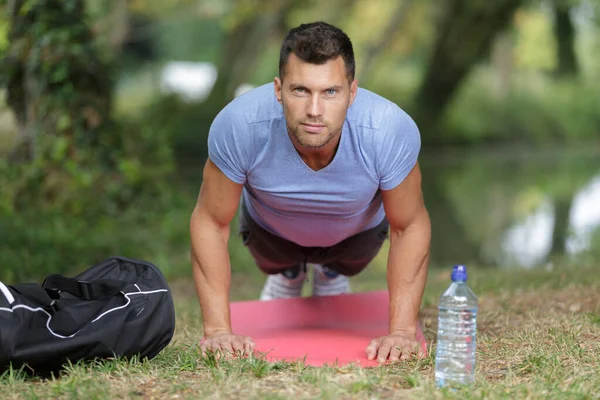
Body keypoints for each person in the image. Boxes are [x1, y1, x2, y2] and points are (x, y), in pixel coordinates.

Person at [190, 21, 431, 364]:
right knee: (276, 256)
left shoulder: (388, 129)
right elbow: (211, 222)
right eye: (300, 90)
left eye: (330, 92)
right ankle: (288, 273)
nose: (315, 111)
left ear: (352, 91)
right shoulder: (240, 125)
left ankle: (330, 271)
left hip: (355, 237)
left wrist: (403, 332)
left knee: (348, 257)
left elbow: (409, 226)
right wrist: (216, 331)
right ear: (278, 89)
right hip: (271, 234)